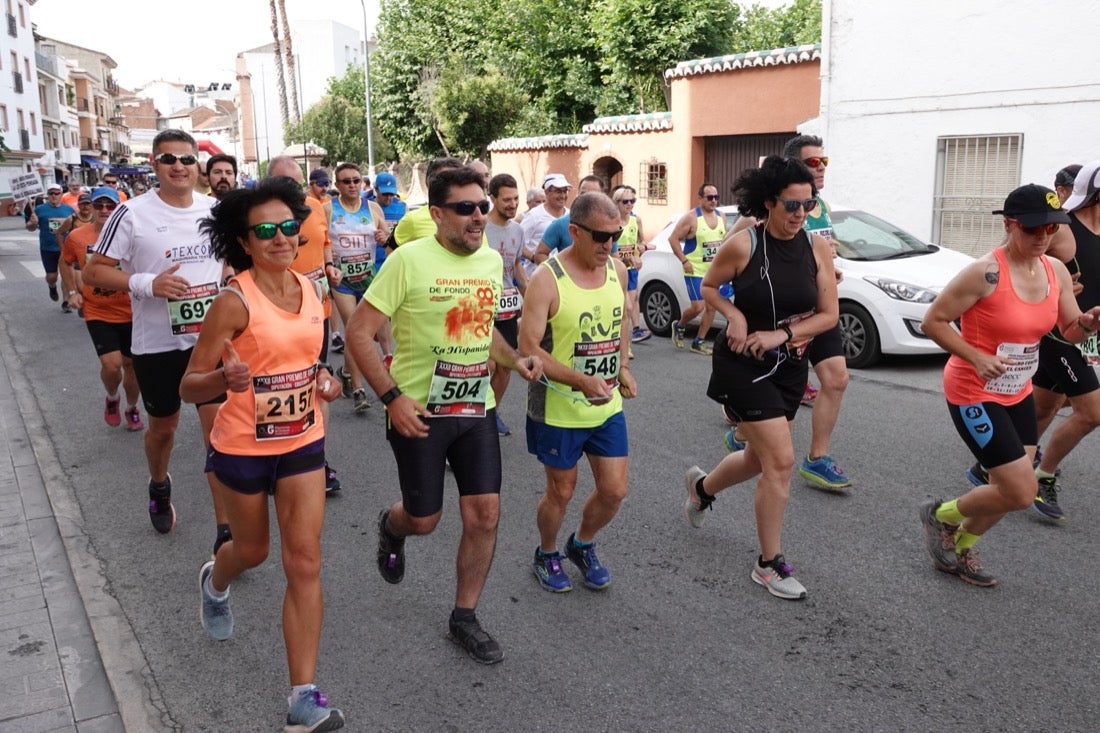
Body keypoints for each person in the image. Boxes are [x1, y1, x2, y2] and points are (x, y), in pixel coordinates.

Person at [345, 166, 542, 665]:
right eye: (465, 208)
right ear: (437, 214)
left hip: (475, 408)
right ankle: (393, 527)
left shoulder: (489, 261)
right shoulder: (408, 261)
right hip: (418, 412)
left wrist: (513, 358)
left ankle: (465, 616)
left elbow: (484, 329)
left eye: (482, 206)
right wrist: (391, 397)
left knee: (485, 513)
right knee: (425, 518)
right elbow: (360, 334)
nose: (479, 216)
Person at [179, 177, 346, 731]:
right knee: (251, 552)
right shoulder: (232, 302)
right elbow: (189, 386)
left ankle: (303, 696)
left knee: (304, 561)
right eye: (265, 230)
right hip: (243, 448)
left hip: (302, 439)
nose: (281, 238)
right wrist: (224, 380)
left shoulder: (312, 289)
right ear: (243, 242)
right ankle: (215, 580)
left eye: (288, 226)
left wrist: (324, 380)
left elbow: (305, 360)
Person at [918, 184, 1098, 587]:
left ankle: (959, 548)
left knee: (1007, 487)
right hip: (973, 391)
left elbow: (1067, 330)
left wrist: (1086, 325)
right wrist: (975, 356)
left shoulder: (1054, 271)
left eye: (1051, 229)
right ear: (1012, 225)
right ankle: (939, 514)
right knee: (1020, 491)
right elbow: (933, 321)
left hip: (1017, 390)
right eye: (1034, 229)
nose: (1043, 237)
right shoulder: (985, 272)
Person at [683, 156, 838, 601]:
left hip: (788, 363)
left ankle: (702, 488)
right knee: (782, 463)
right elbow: (711, 287)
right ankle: (768, 564)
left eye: (807, 205)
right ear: (769, 202)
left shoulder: (817, 248)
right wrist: (732, 315)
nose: (799, 215)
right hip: (742, 363)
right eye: (791, 205)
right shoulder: (744, 244)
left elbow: (829, 315)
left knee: (758, 458)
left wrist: (782, 335)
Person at [83, 129, 232, 551]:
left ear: (197, 166)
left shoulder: (214, 210)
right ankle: (159, 482)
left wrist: (230, 281)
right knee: (164, 428)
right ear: (155, 165)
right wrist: (149, 284)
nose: (179, 167)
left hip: (208, 343)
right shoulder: (131, 214)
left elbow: (226, 262)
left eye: (187, 160)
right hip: (157, 345)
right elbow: (95, 272)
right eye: (169, 159)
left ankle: (225, 531)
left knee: (217, 434)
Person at [522, 191, 637, 594]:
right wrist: (581, 381)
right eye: (601, 237)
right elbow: (529, 348)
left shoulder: (617, 270)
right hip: (558, 405)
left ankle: (581, 544)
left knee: (614, 490)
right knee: (561, 490)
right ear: (574, 232)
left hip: (606, 404)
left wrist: (622, 365)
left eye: (616, 235)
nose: (610, 245)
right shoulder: (546, 279)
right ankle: (546, 551)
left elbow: (621, 318)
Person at [1023, 160, 1100, 519]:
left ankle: (1004, 461)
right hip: (1060, 331)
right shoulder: (1066, 229)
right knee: (1091, 413)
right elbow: (1018, 258)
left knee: (1045, 407)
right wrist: (1054, 285)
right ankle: (1042, 475)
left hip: (1090, 334)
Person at [267, 155, 345, 494]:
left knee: (319, 382)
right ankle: (272, 456)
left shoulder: (316, 207)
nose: (293, 190)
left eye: (296, 183)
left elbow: (325, 243)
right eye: (285, 183)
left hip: (317, 314)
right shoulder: (259, 218)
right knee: (277, 388)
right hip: (272, 319)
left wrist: (329, 268)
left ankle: (318, 459)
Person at [59, 186, 143, 431]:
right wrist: (72, 292)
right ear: (92, 208)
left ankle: (131, 407)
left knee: (131, 366)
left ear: (119, 209)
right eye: (99, 205)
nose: (105, 210)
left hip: (133, 310)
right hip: (98, 310)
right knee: (111, 365)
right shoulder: (78, 236)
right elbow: (65, 261)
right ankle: (112, 397)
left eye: (111, 206)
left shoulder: (134, 235)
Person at [328, 162, 390, 412]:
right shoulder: (327, 209)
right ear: (338, 185)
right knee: (354, 329)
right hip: (342, 282)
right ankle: (358, 388)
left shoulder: (372, 208)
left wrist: (383, 237)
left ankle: (345, 371)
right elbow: (319, 240)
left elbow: (388, 239)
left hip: (369, 277)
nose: (352, 185)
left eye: (356, 180)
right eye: (346, 181)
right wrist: (328, 257)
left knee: (377, 326)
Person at [484, 173, 529, 436]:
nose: (513, 205)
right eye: (507, 200)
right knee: (485, 365)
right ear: (492, 199)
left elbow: (517, 267)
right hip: (482, 309)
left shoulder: (517, 230)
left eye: (516, 199)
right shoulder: (481, 227)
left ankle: (492, 413)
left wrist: (530, 294)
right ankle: (474, 414)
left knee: (506, 367)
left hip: (508, 308)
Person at [667, 183, 726, 355]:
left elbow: (724, 242)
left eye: (716, 197)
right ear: (700, 198)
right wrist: (684, 261)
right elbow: (673, 239)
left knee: (711, 307)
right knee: (698, 306)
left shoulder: (721, 216)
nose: (713, 201)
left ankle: (698, 341)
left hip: (713, 270)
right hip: (695, 269)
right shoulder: (691, 218)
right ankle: (679, 325)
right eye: (709, 197)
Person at [532, 175, 606, 264]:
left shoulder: (609, 227)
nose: (587, 199)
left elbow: (615, 259)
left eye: (593, 195)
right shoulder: (561, 224)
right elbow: (540, 254)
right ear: (578, 195)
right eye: (583, 194)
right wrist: (558, 274)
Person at [392, 157, 464, 247]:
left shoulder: (474, 218)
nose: (452, 186)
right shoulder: (412, 220)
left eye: (458, 180)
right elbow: (390, 253)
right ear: (428, 183)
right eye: (445, 180)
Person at [25, 183, 75, 307]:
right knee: (52, 276)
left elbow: (75, 227)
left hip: (65, 248)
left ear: (61, 194)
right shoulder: (39, 210)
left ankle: (66, 301)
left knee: (66, 275)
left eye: (56, 193)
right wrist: (32, 223)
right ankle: (52, 287)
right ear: (47, 195)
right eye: (51, 193)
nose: (54, 196)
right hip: (47, 248)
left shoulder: (69, 210)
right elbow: (30, 228)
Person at [612, 185, 650, 343]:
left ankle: (635, 330)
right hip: (615, 267)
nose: (629, 204)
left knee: (633, 300)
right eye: (625, 201)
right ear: (617, 203)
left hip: (632, 267)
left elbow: (642, 240)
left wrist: (642, 247)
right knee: (624, 305)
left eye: (632, 201)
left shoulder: (636, 220)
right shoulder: (612, 222)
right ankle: (622, 341)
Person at [519, 173, 571, 277]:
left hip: (564, 277)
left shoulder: (571, 215)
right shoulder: (534, 215)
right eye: (558, 191)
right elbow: (518, 242)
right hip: (536, 276)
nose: (562, 196)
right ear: (547, 192)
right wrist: (534, 258)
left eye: (565, 191)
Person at [55, 192, 95, 313]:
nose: (85, 207)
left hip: (92, 256)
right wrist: (64, 249)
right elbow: (59, 233)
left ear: (92, 205)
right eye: (82, 204)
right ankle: (82, 304)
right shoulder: (72, 219)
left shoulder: (96, 219)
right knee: (81, 286)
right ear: (78, 205)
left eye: (88, 204)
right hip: (77, 258)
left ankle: (89, 306)